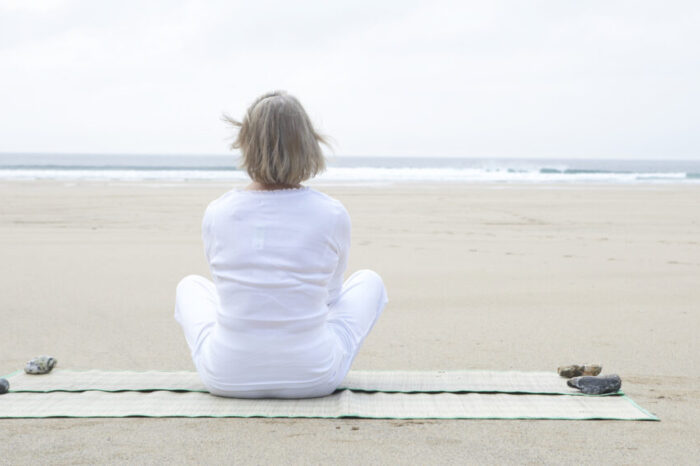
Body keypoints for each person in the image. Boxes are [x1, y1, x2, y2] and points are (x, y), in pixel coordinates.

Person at [174, 91, 388, 398]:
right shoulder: (331, 213)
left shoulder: (218, 212)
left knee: (190, 285)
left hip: (226, 376)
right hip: (313, 377)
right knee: (370, 282)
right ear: (308, 144)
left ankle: (258, 354)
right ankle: (293, 352)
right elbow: (332, 296)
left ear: (246, 144)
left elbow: (226, 292)